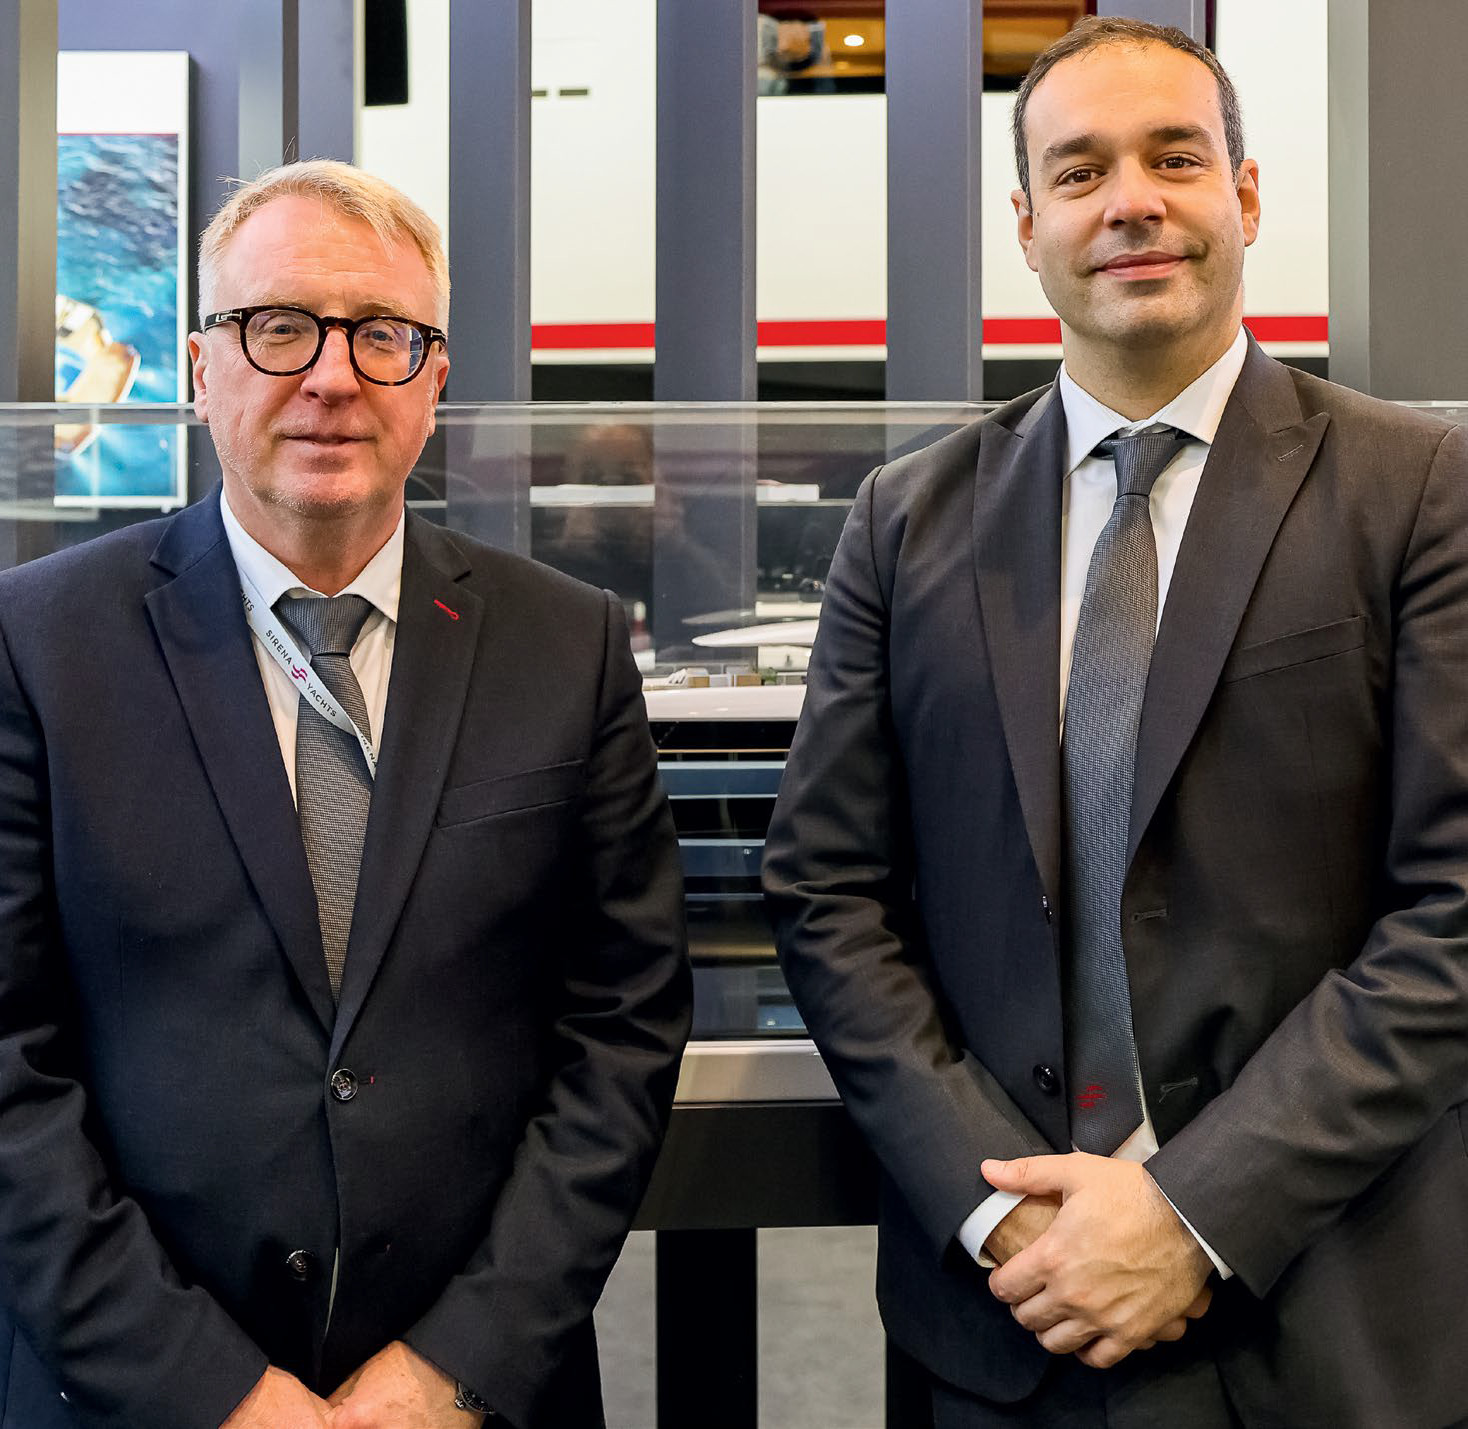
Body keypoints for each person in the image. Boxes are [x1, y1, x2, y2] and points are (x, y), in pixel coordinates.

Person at [763, 18, 1468, 1429]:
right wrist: (1004, 1215)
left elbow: (1453, 907)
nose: (1130, 200)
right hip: (1005, 1315)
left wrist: (1193, 1209)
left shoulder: (1419, 490)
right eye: (1079, 171)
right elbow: (827, 892)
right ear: (1027, 227)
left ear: (1246, 195)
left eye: (1174, 158)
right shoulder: (908, 522)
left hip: (1321, 1317)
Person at [0, 160, 691, 1429]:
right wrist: (214, 1392)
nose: (331, 376)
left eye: (382, 333)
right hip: (128, 1393)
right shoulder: (39, 644)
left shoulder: (566, 643)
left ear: (434, 381)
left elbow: (624, 1028)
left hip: (476, 1394)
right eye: (279, 327)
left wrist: (453, 1367)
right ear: (200, 367)